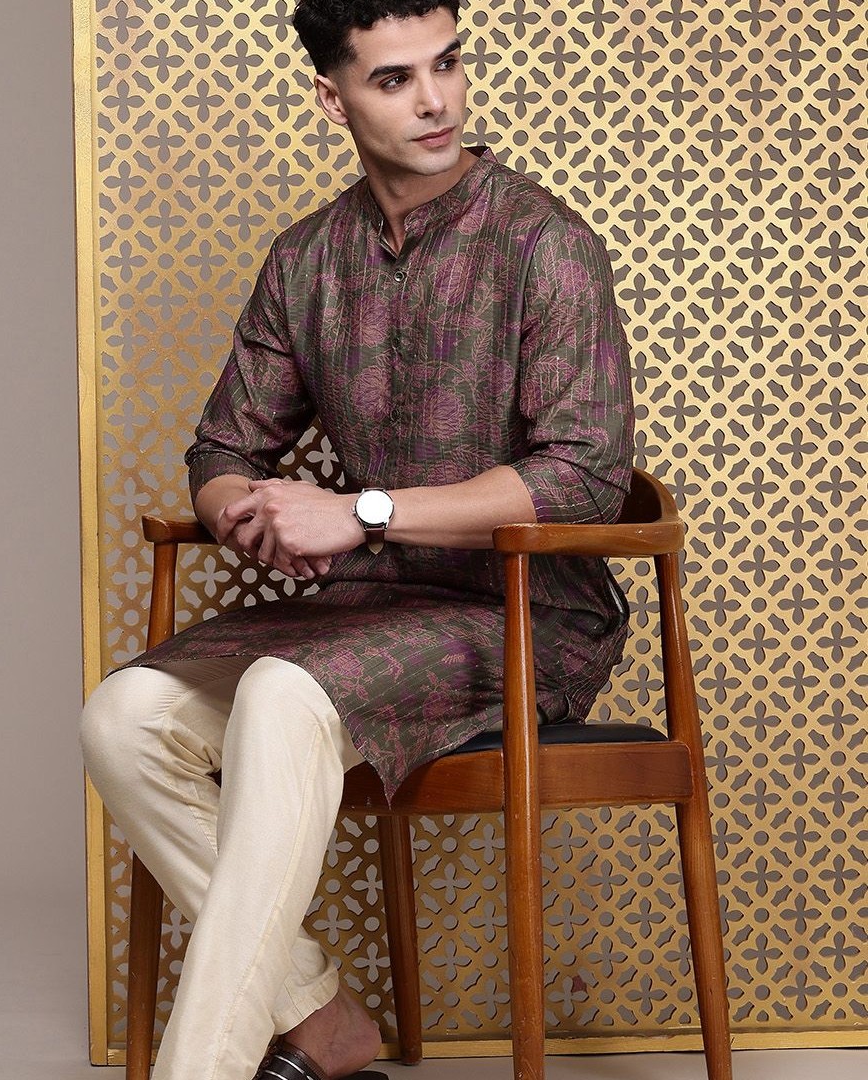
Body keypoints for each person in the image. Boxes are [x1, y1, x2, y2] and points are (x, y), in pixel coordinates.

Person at [80, 1, 634, 1078]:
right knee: (123, 717)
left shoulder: (545, 243)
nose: (435, 100)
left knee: (283, 695)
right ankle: (322, 1017)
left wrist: (361, 512)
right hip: (362, 613)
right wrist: (246, 509)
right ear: (332, 98)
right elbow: (223, 447)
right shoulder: (307, 259)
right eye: (394, 79)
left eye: (447, 65)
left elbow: (584, 479)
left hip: (525, 615)